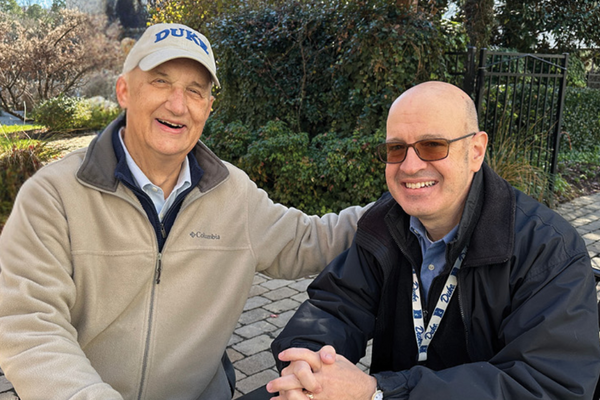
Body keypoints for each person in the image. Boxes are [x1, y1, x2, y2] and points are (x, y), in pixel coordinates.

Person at [0, 23, 370, 400]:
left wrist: (407, 200)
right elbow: (29, 325)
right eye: (160, 82)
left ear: (208, 107)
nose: (178, 104)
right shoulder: (53, 195)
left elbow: (311, 240)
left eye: (195, 90)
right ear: (124, 91)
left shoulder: (233, 193)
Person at [267, 81, 600, 400]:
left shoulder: (548, 250)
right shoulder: (384, 221)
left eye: (432, 146)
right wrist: (305, 364)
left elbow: (551, 386)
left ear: (476, 151)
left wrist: (379, 392)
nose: (410, 166)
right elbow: (336, 306)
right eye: (396, 148)